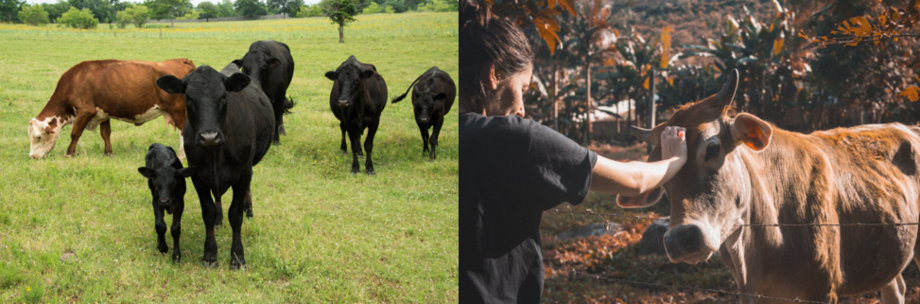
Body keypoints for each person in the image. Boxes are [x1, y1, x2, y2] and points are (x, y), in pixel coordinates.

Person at [458, 1, 688, 302]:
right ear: (494, 74)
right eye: (523, 89)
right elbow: (634, 181)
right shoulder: (516, 138)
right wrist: (676, 158)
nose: (523, 109)